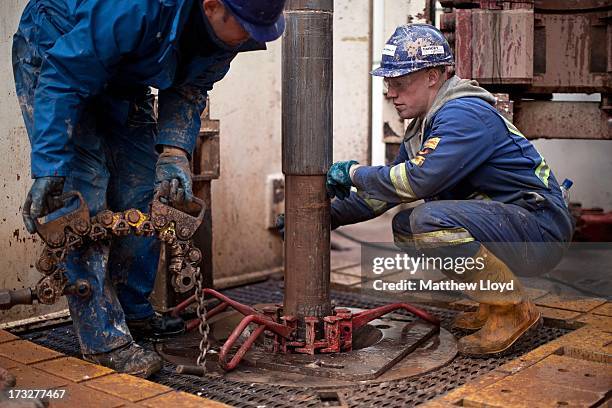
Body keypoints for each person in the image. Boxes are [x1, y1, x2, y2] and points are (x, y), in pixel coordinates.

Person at [13, 0, 286, 377]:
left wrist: (173, 153)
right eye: (245, 28)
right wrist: (50, 165)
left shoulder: (228, 35)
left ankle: (133, 311)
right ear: (211, 6)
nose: (250, 40)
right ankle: (103, 338)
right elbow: (65, 76)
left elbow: (192, 87)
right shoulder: (135, 8)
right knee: (82, 199)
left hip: (124, 77)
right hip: (58, 56)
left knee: (145, 191)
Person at [327, 24, 573, 356]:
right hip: (512, 224)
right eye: (388, 84)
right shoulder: (423, 126)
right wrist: (325, 216)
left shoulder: (464, 114)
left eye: (399, 83)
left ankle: (511, 310)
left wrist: (354, 172)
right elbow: (384, 195)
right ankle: (491, 301)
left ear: (433, 76)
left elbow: (418, 180)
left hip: (540, 229)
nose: (390, 93)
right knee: (406, 226)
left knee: (429, 222)